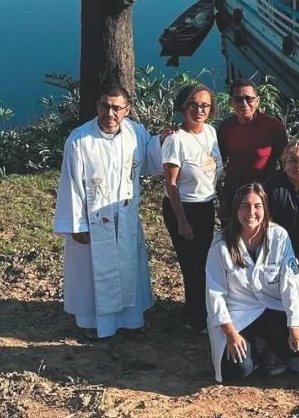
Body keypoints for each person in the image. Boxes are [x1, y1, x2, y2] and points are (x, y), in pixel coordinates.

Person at [53, 85, 162, 340]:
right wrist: (77, 224)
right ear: (97, 107)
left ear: (127, 110)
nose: (110, 113)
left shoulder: (136, 133)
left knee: (128, 267)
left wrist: (164, 142)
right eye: (105, 106)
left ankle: (131, 320)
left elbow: (149, 162)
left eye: (116, 108)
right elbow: (70, 182)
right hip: (93, 220)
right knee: (94, 270)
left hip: (124, 216)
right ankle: (93, 323)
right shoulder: (80, 139)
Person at [205, 183, 299, 382]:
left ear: (265, 209)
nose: (251, 212)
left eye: (257, 206)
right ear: (236, 209)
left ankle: (270, 349)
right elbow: (214, 293)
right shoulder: (221, 244)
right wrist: (230, 334)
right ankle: (253, 347)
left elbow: (291, 284)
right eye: (244, 206)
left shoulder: (279, 236)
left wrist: (294, 326)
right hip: (238, 313)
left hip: (271, 308)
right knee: (238, 370)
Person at [161, 84, 223, 332]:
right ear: (183, 106)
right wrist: (182, 220)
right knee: (192, 264)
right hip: (183, 208)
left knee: (206, 262)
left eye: (205, 105)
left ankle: (197, 309)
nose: (199, 109)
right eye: (193, 104)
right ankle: (196, 319)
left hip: (206, 205)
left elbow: (215, 170)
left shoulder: (210, 132)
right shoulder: (176, 140)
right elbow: (171, 184)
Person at [217, 79, 289, 203]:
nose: (244, 103)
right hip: (233, 194)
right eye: (238, 99)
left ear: (257, 101)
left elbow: (286, 162)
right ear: (231, 102)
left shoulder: (273, 126)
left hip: (263, 194)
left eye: (249, 98)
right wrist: (221, 195)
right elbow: (217, 163)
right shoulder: (226, 127)